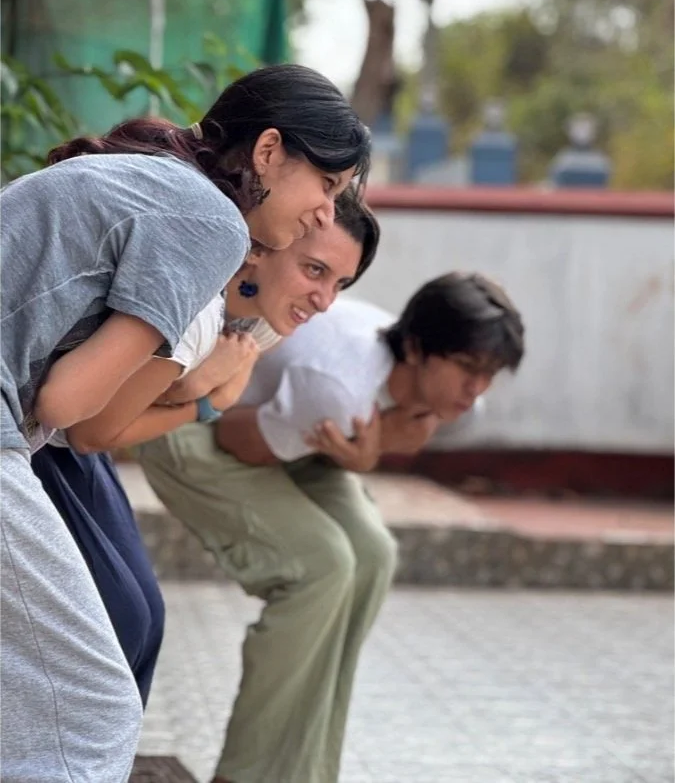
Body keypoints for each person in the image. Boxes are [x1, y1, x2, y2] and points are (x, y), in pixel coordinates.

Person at [1, 63, 370, 783]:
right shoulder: (210, 221)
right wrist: (199, 389)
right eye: (325, 186)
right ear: (267, 153)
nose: (325, 213)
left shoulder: (155, 175)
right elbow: (68, 409)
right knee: (95, 710)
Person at [136, 271, 526, 783]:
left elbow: (376, 431)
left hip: (292, 436)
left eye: (491, 372)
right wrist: (380, 440)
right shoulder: (340, 388)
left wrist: (377, 441)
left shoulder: (453, 396)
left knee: (372, 557)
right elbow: (239, 440)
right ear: (414, 347)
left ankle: (308, 772)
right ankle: (243, 775)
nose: (476, 388)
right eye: (467, 368)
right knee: (321, 568)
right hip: (194, 428)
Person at [29, 187, 379, 708]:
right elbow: (92, 431)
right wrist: (200, 402)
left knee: (141, 619)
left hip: (77, 445)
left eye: (340, 283)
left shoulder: (265, 319)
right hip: (39, 443)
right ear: (266, 245)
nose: (326, 300)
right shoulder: (198, 301)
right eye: (314, 271)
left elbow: (178, 399)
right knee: (121, 620)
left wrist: (200, 393)